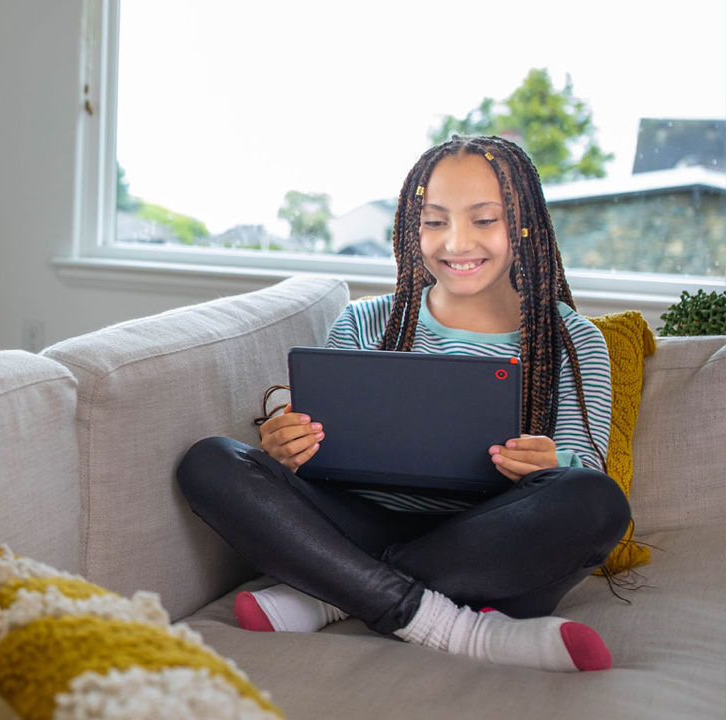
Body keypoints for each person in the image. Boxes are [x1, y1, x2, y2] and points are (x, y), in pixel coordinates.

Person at [176, 135, 630, 673]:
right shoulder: (364, 323)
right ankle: (454, 626)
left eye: (484, 220)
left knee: (597, 502)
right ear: (411, 230)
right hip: (362, 521)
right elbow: (320, 457)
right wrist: (287, 447)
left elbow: (581, 469)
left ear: (525, 224)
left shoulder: (571, 340)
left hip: (485, 546)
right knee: (210, 461)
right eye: (435, 221)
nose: (457, 243)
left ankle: (334, 590)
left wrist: (550, 464)